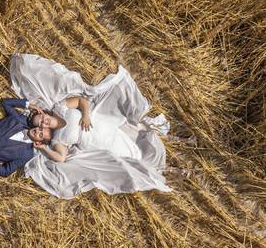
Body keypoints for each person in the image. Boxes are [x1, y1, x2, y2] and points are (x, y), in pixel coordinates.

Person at [9, 53, 182, 199]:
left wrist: (85, 115)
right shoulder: (57, 139)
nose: (43, 123)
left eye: (41, 119)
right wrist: (44, 149)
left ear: (43, 113)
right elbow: (61, 158)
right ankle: (172, 170)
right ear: (44, 130)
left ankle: (177, 140)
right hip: (97, 142)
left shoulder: (59, 108)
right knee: (129, 159)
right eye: (41, 126)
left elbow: (82, 101)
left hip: (102, 127)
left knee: (135, 133)